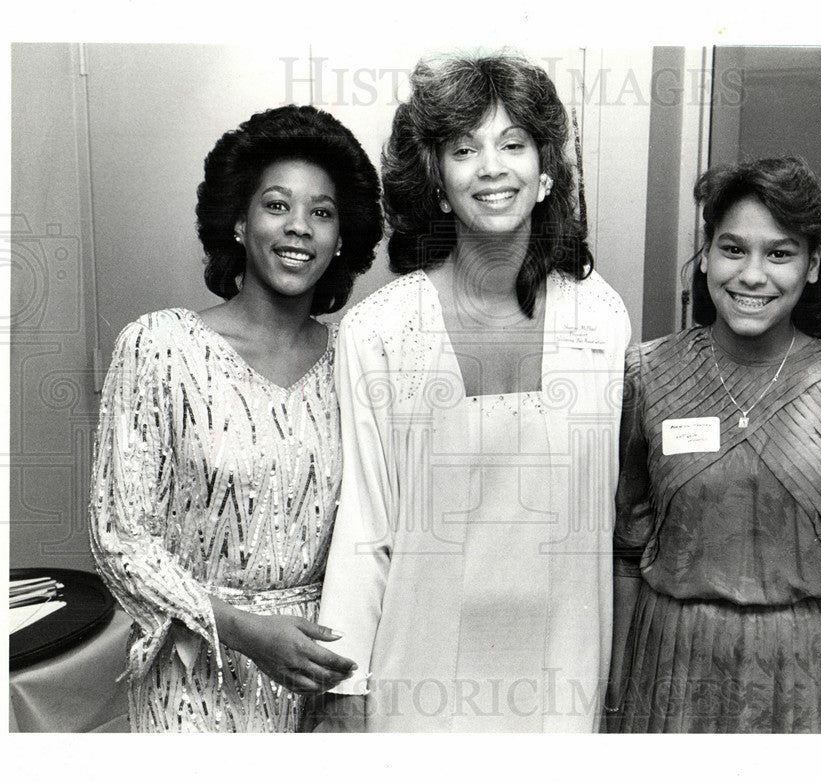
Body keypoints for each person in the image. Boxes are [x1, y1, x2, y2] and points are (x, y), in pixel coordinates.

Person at [312, 53, 631, 732]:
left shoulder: (600, 316)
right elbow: (365, 526)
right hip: (421, 669)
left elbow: (607, 514)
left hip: (562, 671)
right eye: (465, 149)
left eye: (513, 144)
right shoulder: (381, 330)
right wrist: (348, 687)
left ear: (547, 173)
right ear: (435, 179)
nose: (491, 167)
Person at [608, 156, 821, 733]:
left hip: (809, 684)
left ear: (811, 266)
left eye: (779, 253)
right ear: (705, 254)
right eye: (733, 249)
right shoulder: (644, 376)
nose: (752, 275)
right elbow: (628, 555)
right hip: (667, 678)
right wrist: (613, 709)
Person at [88, 105, 383, 731]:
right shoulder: (160, 348)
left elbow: (380, 532)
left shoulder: (357, 363)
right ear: (240, 224)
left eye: (322, 213)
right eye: (277, 205)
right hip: (196, 679)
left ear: (340, 240)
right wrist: (247, 632)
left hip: (324, 676)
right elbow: (120, 540)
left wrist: (348, 679)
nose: (299, 227)